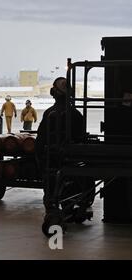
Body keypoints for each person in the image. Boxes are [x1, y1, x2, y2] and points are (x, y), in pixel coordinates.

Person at [35, 77, 94, 213]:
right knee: (70, 187)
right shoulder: (77, 115)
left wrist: (39, 159)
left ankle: (52, 210)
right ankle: (68, 207)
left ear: (53, 93)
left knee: (51, 188)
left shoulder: (49, 113)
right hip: (71, 161)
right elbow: (81, 138)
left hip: (51, 159)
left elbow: (41, 139)